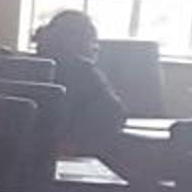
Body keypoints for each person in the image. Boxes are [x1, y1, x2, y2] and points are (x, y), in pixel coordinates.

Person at [32, 8, 129, 159]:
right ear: (80, 41)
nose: (96, 48)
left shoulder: (27, 67)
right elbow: (115, 113)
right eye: (93, 42)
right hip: (70, 153)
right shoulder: (84, 72)